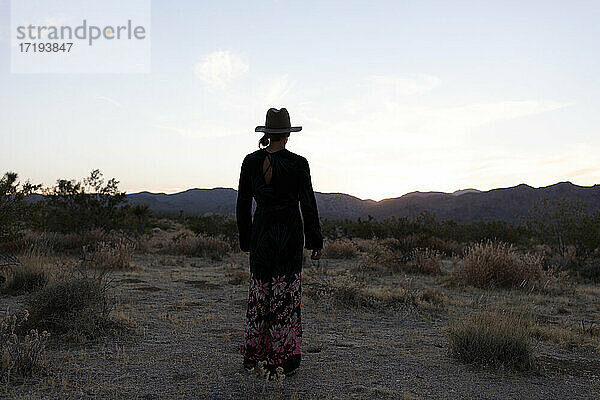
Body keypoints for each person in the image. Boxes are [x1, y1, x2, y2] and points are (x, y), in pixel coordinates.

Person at [236, 107, 323, 376]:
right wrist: (315, 240)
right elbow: (308, 203)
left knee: (260, 296)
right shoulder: (299, 163)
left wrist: (246, 239)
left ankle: (254, 357)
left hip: (261, 234)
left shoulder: (250, 161)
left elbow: (242, 204)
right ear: (287, 134)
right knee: (285, 297)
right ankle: (282, 360)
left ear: (267, 133)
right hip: (288, 237)